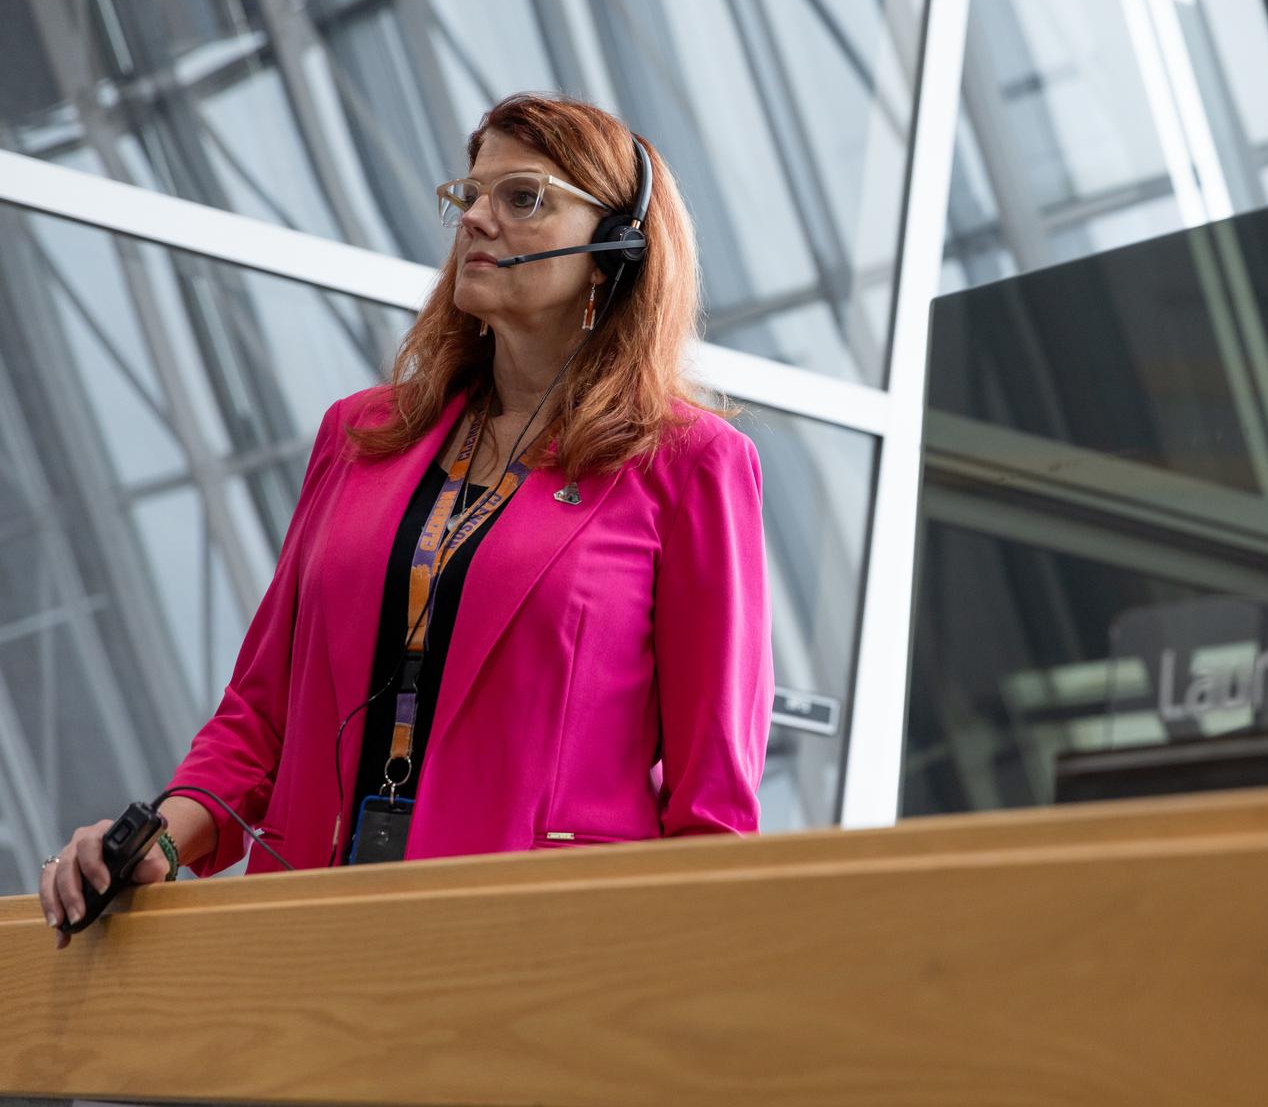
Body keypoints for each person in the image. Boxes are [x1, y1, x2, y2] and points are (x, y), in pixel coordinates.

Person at [39, 93, 773, 945]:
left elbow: (713, 804)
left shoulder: (691, 465)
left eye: (523, 197)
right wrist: (159, 839)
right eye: (470, 196)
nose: (478, 220)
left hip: (540, 949)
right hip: (304, 935)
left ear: (615, 249)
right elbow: (258, 713)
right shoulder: (360, 436)